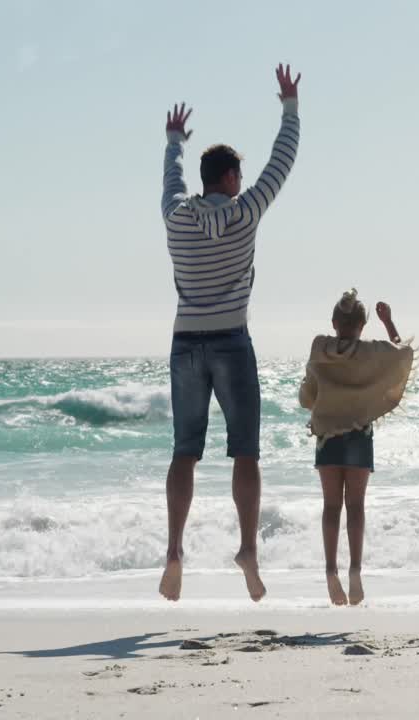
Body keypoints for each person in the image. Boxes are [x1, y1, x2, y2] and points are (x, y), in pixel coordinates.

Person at [157, 64, 302, 602]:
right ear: (232, 180)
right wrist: (290, 107)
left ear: (204, 179)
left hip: (186, 341)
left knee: (184, 451)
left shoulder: (176, 216)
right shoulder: (245, 214)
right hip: (232, 341)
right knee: (245, 452)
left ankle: (174, 548)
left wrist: (174, 140)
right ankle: (247, 548)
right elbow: (282, 162)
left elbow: (170, 180)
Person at [299, 290, 414, 606]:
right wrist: (389, 323)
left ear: (334, 322)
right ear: (363, 325)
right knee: (357, 506)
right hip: (358, 436)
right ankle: (355, 570)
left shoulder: (320, 347)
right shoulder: (371, 351)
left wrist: (316, 402)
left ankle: (329, 570)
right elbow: (402, 353)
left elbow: (308, 394)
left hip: (327, 438)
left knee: (331, 506)